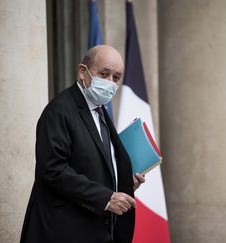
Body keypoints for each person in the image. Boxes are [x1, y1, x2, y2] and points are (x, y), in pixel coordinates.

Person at [20, 45, 145, 243]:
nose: (110, 83)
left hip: (96, 231)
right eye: (104, 74)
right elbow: (53, 169)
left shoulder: (100, 110)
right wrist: (105, 198)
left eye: (116, 77)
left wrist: (120, 181)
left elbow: (91, 164)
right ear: (82, 72)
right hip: (63, 232)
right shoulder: (59, 111)